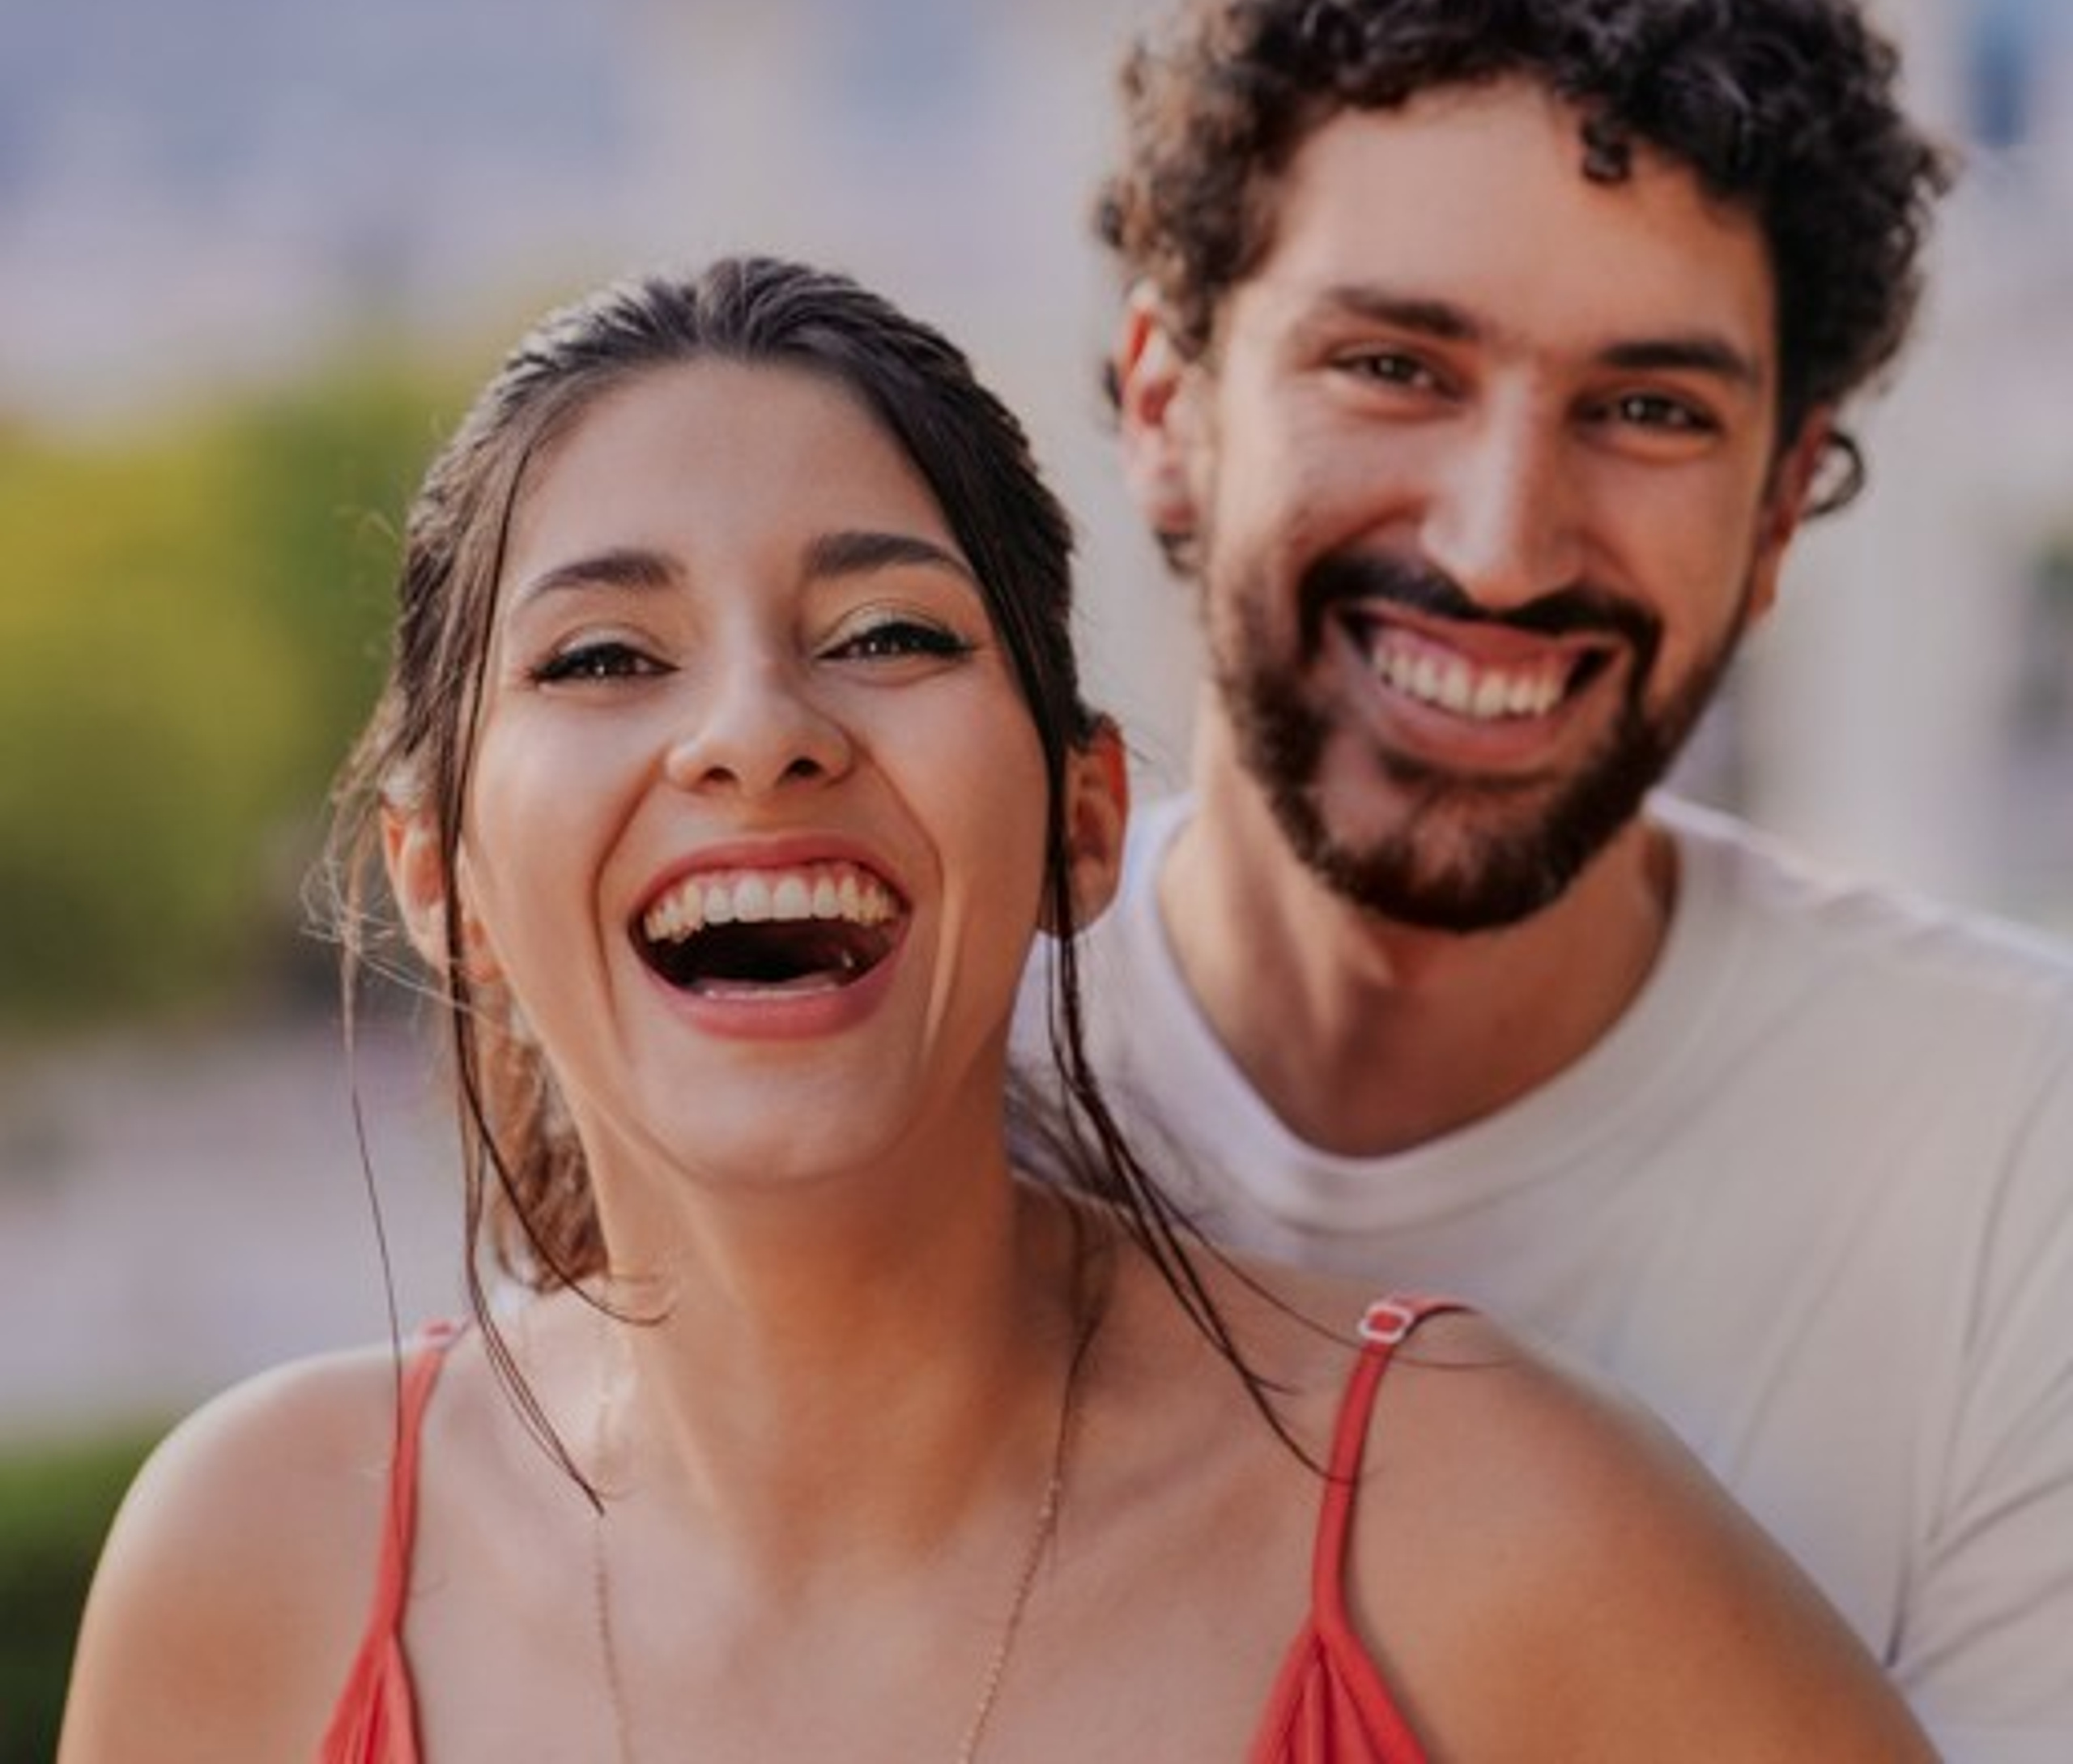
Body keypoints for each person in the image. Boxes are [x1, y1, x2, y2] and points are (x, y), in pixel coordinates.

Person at [60, 255, 1930, 1762]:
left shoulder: (1482, 1527)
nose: (752, 731)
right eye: (604, 655)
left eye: (885, 635)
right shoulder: (257, 1563)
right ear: (437, 875)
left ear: (1082, 818)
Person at [1017, 0, 2073, 1759]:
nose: (1501, 546)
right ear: (1168, 408)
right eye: (1394, 366)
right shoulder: (908, 1085)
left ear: (1775, 509)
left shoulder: (2021, 1163)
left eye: (1646, 409)